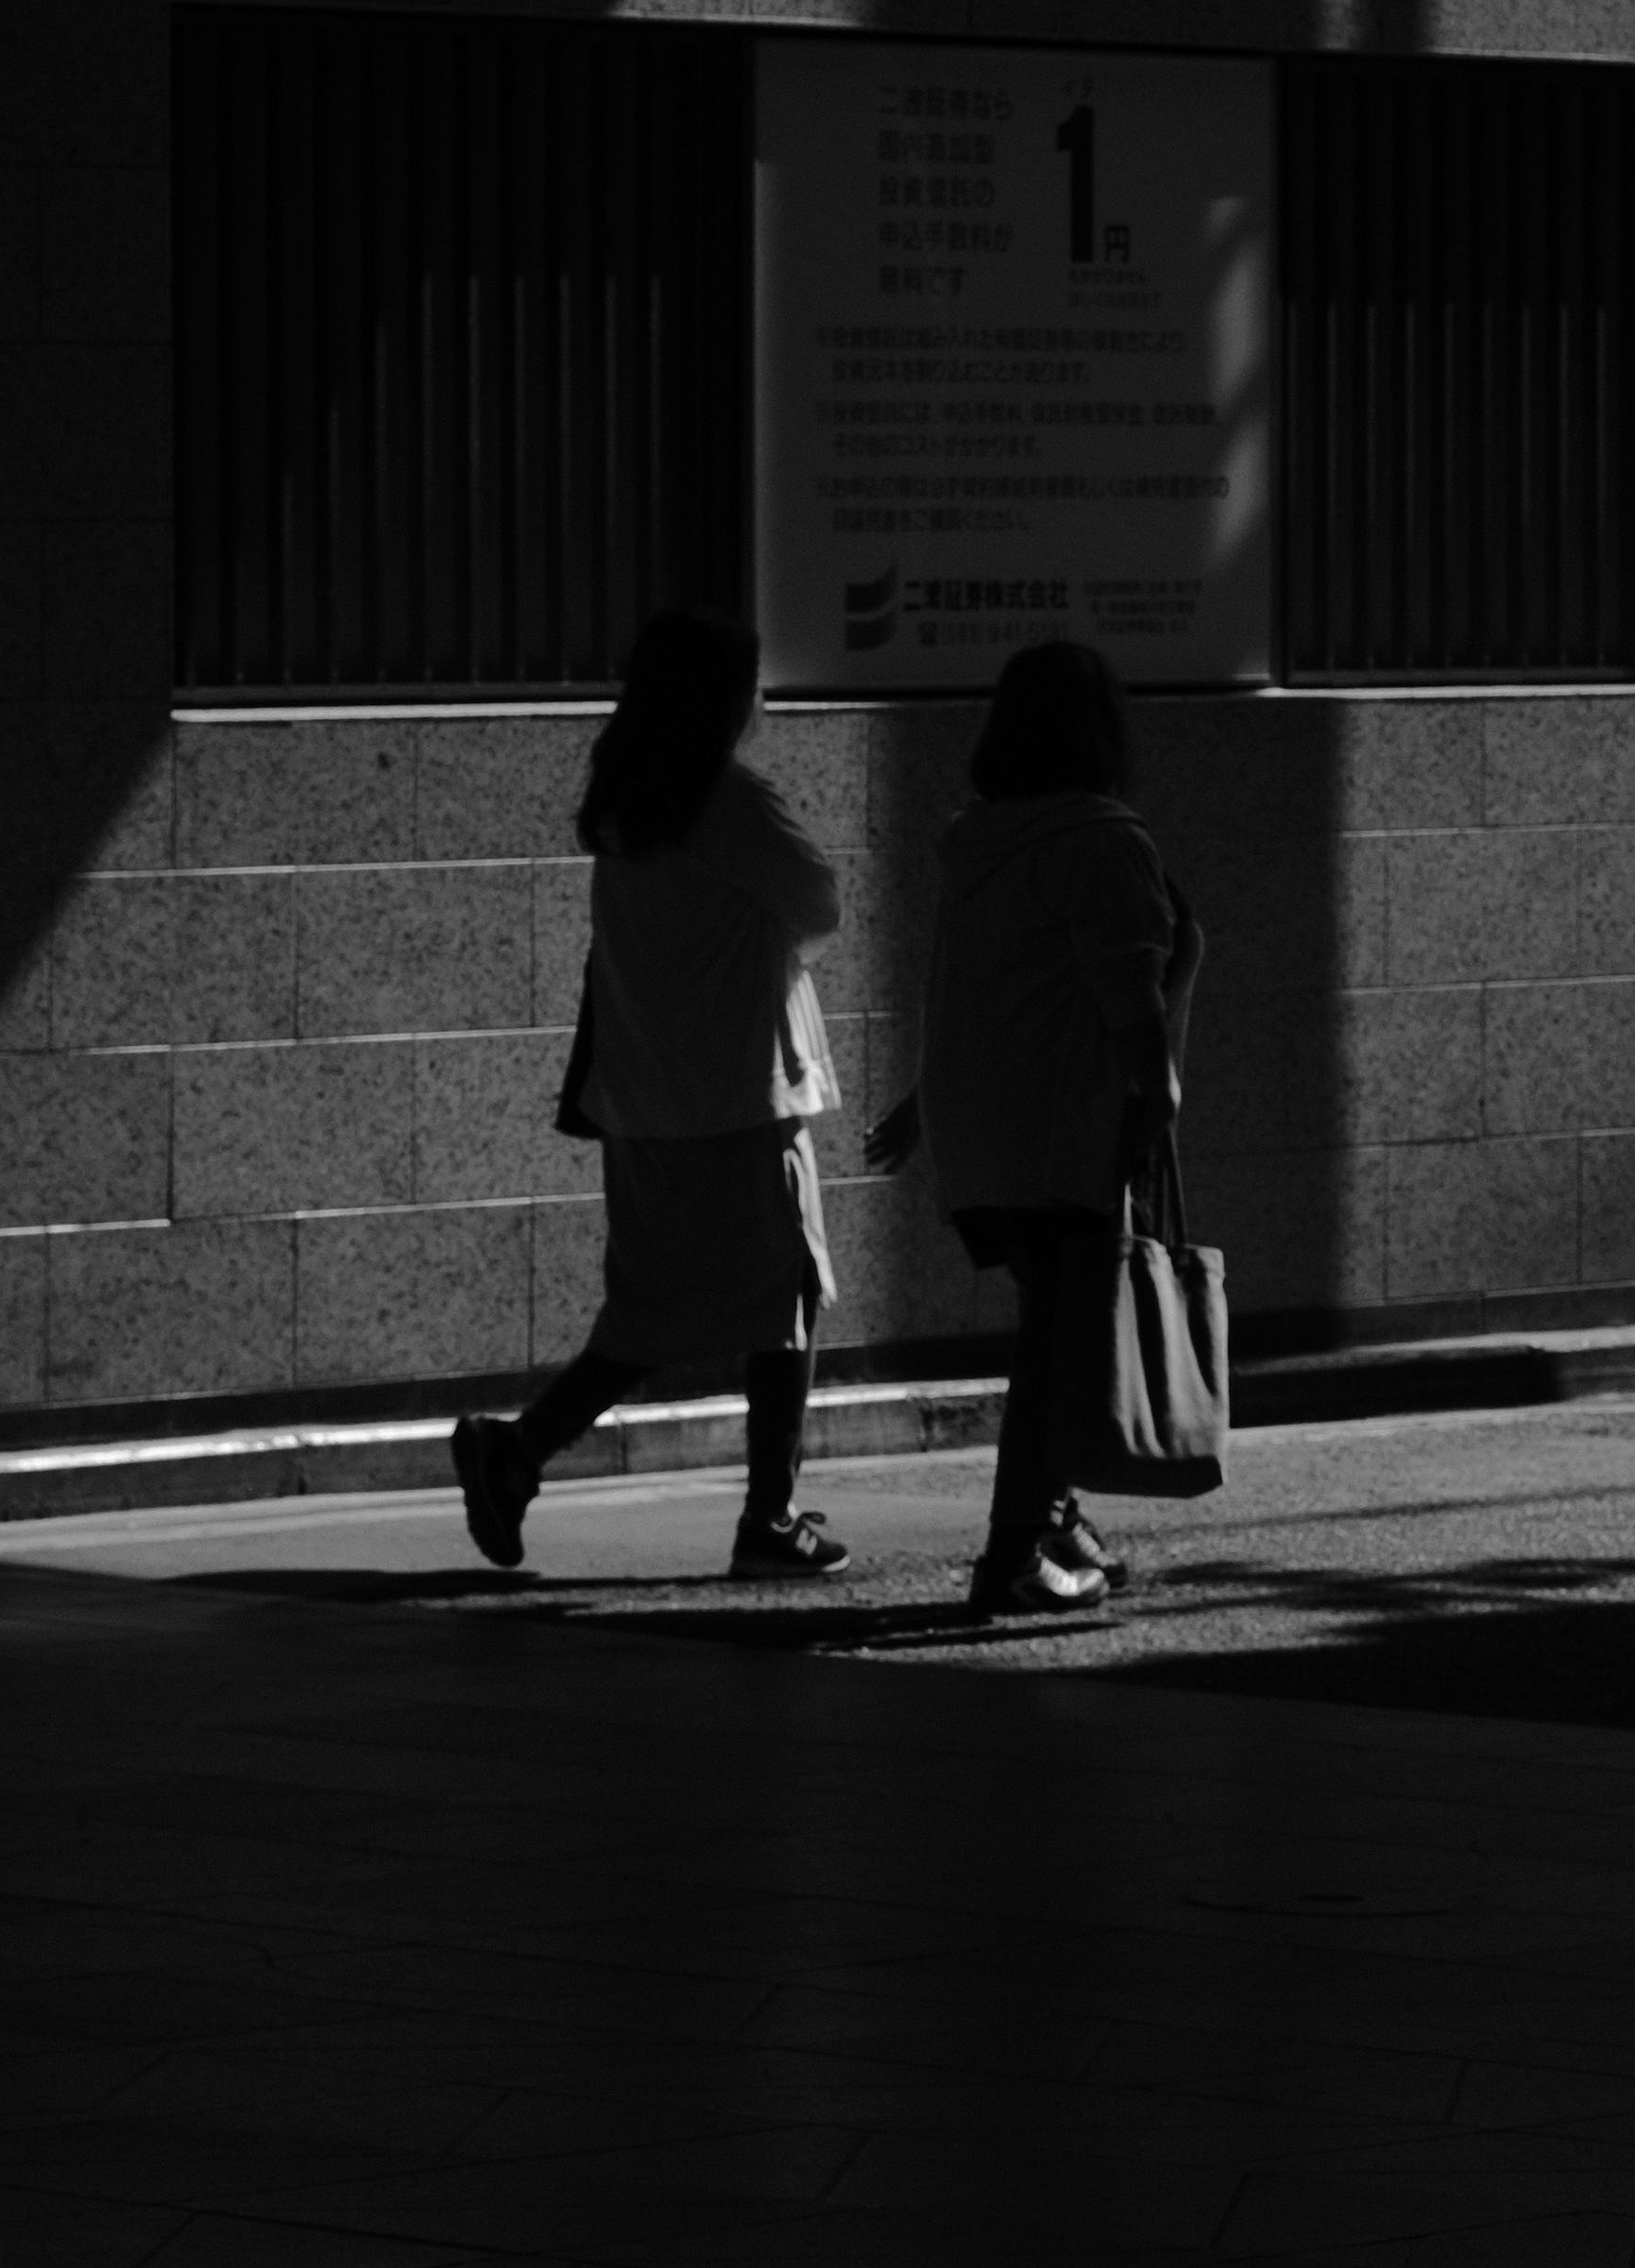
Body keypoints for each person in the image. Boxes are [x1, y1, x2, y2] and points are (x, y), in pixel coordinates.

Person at [453, 608, 851, 1583]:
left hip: (644, 1102)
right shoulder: (733, 804)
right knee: (789, 1295)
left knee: (650, 1308)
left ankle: (520, 1451)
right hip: (745, 1098)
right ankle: (770, 1516)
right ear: (724, 699)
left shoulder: (626, 808)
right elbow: (821, 902)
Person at [867, 638, 1203, 1624]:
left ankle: (1055, 1523)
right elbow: (1126, 994)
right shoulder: (1102, 841)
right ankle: (1014, 1555)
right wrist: (1159, 1099)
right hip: (1066, 1132)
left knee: (1055, 1333)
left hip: (990, 1133)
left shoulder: (980, 842)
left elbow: (978, 997)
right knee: (1063, 1351)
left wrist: (928, 1109)